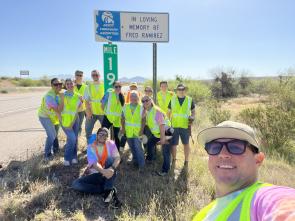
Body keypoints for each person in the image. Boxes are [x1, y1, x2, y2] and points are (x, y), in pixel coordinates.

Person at [193, 121, 295, 220]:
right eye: (215, 147)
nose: (223, 154)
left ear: (258, 160)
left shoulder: (265, 199)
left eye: (235, 147)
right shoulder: (201, 215)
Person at [71, 127, 122, 208]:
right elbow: (94, 163)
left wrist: (112, 168)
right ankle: (105, 189)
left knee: (110, 159)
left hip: (109, 171)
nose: (103, 136)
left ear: (107, 137)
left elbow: (117, 158)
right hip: (97, 174)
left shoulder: (111, 144)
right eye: (101, 134)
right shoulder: (91, 147)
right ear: (97, 135)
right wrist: (103, 171)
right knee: (75, 184)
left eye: (105, 135)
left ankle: (107, 192)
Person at [140, 95, 172, 176]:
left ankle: (165, 170)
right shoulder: (148, 111)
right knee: (150, 144)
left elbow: (161, 125)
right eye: (143, 101)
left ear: (151, 100)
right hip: (157, 134)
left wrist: (162, 139)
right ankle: (150, 159)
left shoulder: (156, 111)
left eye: (147, 100)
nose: (145, 102)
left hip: (166, 132)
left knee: (165, 152)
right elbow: (144, 120)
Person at [167, 83, 195, 166]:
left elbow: (193, 111)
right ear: (177, 91)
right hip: (174, 126)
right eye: (179, 89)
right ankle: (174, 160)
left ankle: (186, 161)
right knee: (173, 144)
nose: (181, 91)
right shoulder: (172, 99)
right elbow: (168, 112)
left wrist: (192, 117)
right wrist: (169, 123)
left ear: (185, 90)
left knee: (186, 144)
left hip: (185, 126)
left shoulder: (189, 99)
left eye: (183, 89)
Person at [38, 78, 63, 161]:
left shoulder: (59, 92)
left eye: (60, 84)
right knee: (51, 135)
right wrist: (63, 121)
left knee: (55, 134)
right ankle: (47, 154)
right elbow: (58, 111)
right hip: (45, 116)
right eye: (56, 84)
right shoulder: (49, 97)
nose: (58, 86)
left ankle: (56, 150)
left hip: (53, 117)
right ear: (52, 86)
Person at [121, 90, 145, 169]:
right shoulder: (125, 106)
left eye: (135, 96)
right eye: (132, 96)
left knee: (138, 148)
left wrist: (141, 131)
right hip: (128, 131)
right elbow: (122, 118)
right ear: (129, 97)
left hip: (137, 132)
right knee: (132, 147)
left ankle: (141, 165)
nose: (133, 98)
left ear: (138, 97)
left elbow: (143, 120)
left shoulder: (141, 107)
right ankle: (135, 161)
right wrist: (123, 129)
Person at [61, 78, 82, 166]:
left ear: (74, 84)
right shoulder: (62, 95)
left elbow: (76, 111)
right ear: (65, 85)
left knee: (75, 138)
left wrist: (72, 122)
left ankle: (74, 157)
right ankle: (66, 158)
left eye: (71, 83)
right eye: (67, 84)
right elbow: (58, 109)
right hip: (64, 120)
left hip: (75, 119)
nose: (69, 85)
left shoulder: (78, 96)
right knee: (72, 138)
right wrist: (61, 120)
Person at [101, 81, 126, 151]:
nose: (118, 88)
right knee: (102, 134)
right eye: (116, 86)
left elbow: (123, 109)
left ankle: (117, 153)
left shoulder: (123, 96)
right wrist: (106, 113)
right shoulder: (108, 94)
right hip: (107, 118)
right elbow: (102, 105)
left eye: (119, 86)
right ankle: (102, 152)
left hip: (117, 120)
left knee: (117, 137)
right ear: (113, 87)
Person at [84, 70, 104, 143]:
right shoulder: (89, 86)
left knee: (104, 131)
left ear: (99, 75)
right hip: (92, 113)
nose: (95, 76)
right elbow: (86, 100)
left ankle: (102, 146)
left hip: (103, 113)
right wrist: (88, 113)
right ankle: (89, 146)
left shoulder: (104, 85)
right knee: (88, 130)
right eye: (93, 75)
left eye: (96, 75)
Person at [73, 70, 87, 135]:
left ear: (82, 76)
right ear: (75, 76)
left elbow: (88, 98)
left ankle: (78, 139)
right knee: (72, 125)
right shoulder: (71, 86)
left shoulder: (86, 87)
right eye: (77, 75)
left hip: (82, 110)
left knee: (79, 125)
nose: (79, 77)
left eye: (80, 75)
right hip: (72, 109)